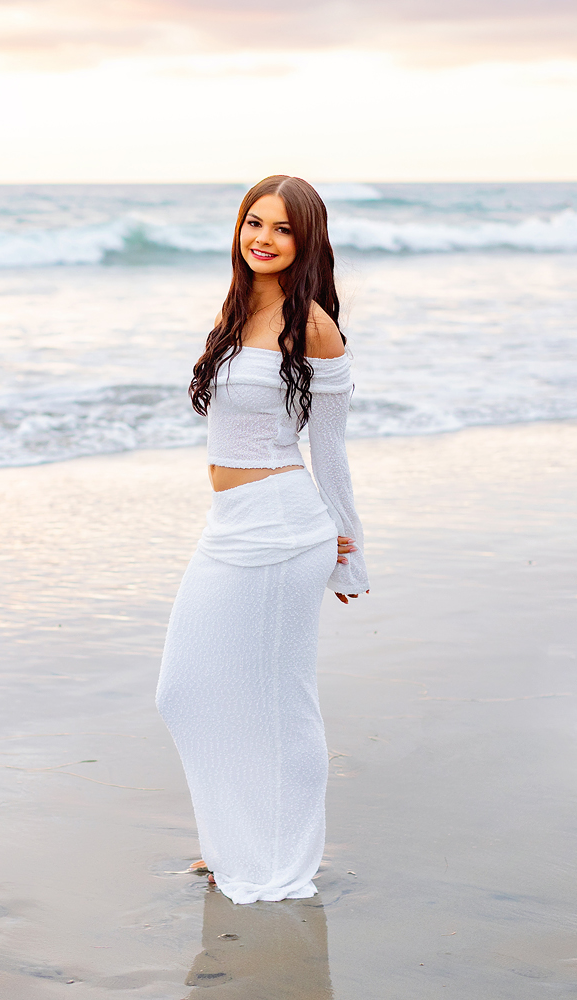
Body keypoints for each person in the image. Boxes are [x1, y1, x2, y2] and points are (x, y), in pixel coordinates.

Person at [156, 174, 369, 905]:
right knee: (185, 690)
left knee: (279, 699)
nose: (264, 239)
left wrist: (350, 550)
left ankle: (280, 858)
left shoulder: (313, 325)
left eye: (281, 228)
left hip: (286, 530)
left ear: (306, 238)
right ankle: (228, 844)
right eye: (254, 222)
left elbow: (332, 452)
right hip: (229, 527)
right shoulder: (235, 310)